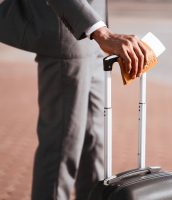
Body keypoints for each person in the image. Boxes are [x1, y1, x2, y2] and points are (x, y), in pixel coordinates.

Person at [0, 0, 151, 199]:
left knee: (95, 150)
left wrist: (100, 30)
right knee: (61, 153)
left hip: (94, 38)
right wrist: (101, 33)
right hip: (69, 38)